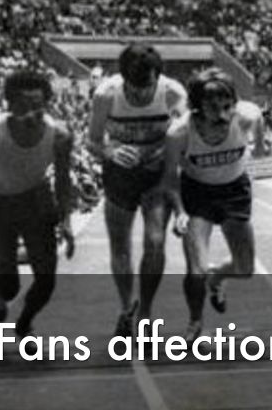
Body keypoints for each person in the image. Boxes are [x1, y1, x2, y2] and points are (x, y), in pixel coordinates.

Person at [87, 43, 187, 336]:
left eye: (148, 86)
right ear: (123, 79)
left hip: (157, 173)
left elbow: (188, 136)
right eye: (134, 87)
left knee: (155, 242)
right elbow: (92, 141)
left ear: (158, 77)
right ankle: (126, 308)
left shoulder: (173, 93)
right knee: (120, 246)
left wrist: (164, 152)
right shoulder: (106, 95)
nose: (142, 93)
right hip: (120, 173)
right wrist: (111, 151)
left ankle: (145, 311)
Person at [0, 70, 74, 337]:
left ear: (47, 104)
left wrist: (67, 221)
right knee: (9, 283)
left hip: (35, 199)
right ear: (10, 106)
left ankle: (24, 322)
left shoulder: (59, 134)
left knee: (46, 279)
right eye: (23, 107)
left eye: (38, 106)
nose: (31, 114)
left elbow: (63, 179)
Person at [166, 69, 265, 340]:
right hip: (198, 193)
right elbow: (169, 178)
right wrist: (179, 211)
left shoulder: (246, 116)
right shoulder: (179, 133)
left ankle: (218, 278)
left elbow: (258, 116)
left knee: (245, 269)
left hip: (234, 190)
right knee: (196, 269)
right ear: (197, 108)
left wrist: (260, 145)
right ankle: (195, 321)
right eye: (213, 108)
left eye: (227, 107)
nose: (222, 115)